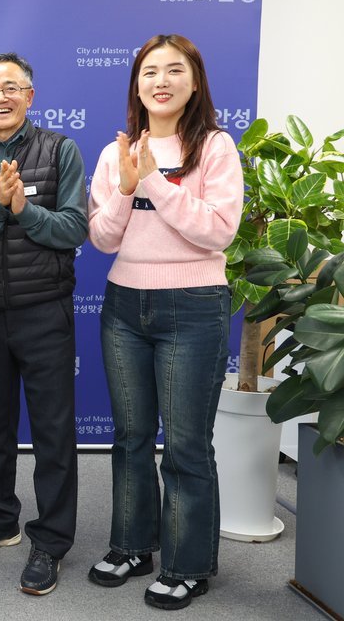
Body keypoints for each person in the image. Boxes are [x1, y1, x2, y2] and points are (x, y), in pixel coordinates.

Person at [86, 34, 243, 610]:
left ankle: (188, 565)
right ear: (137, 84)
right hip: (125, 305)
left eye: (175, 70)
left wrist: (153, 180)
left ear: (194, 83)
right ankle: (133, 546)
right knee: (130, 437)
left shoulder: (216, 147)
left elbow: (217, 231)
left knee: (184, 444)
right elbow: (103, 238)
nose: (161, 81)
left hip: (193, 306)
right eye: (150, 71)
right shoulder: (116, 153)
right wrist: (128, 187)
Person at [0, 52, 88, 596]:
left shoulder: (60, 150)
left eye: (11, 87)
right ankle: (0, 519)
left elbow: (73, 229)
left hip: (44, 311)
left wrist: (22, 210)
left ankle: (51, 540)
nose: (1, 97)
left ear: (29, 96)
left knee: (53, 432)